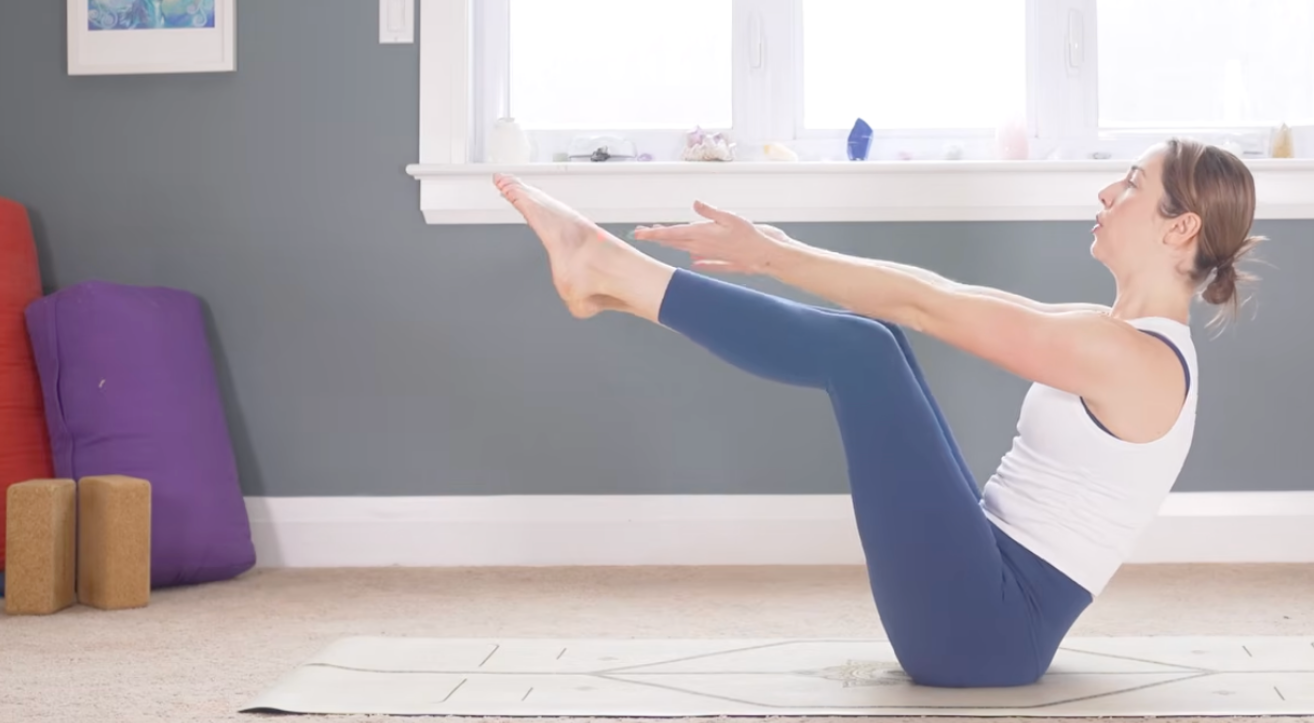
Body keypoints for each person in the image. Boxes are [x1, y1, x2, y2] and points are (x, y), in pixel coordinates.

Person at [492, 138, 1262, 688]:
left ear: (1180, 226)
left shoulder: (1132, 359)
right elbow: (937, 297)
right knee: (879, 343)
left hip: (983, 634)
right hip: (986, 600)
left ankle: (611, 272)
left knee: (863, 353)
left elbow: (936, 306)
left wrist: (771, 254)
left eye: (1129, 184)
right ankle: (606, 277)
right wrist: (781, 246)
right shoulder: (1119, 338)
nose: (1106, 193)